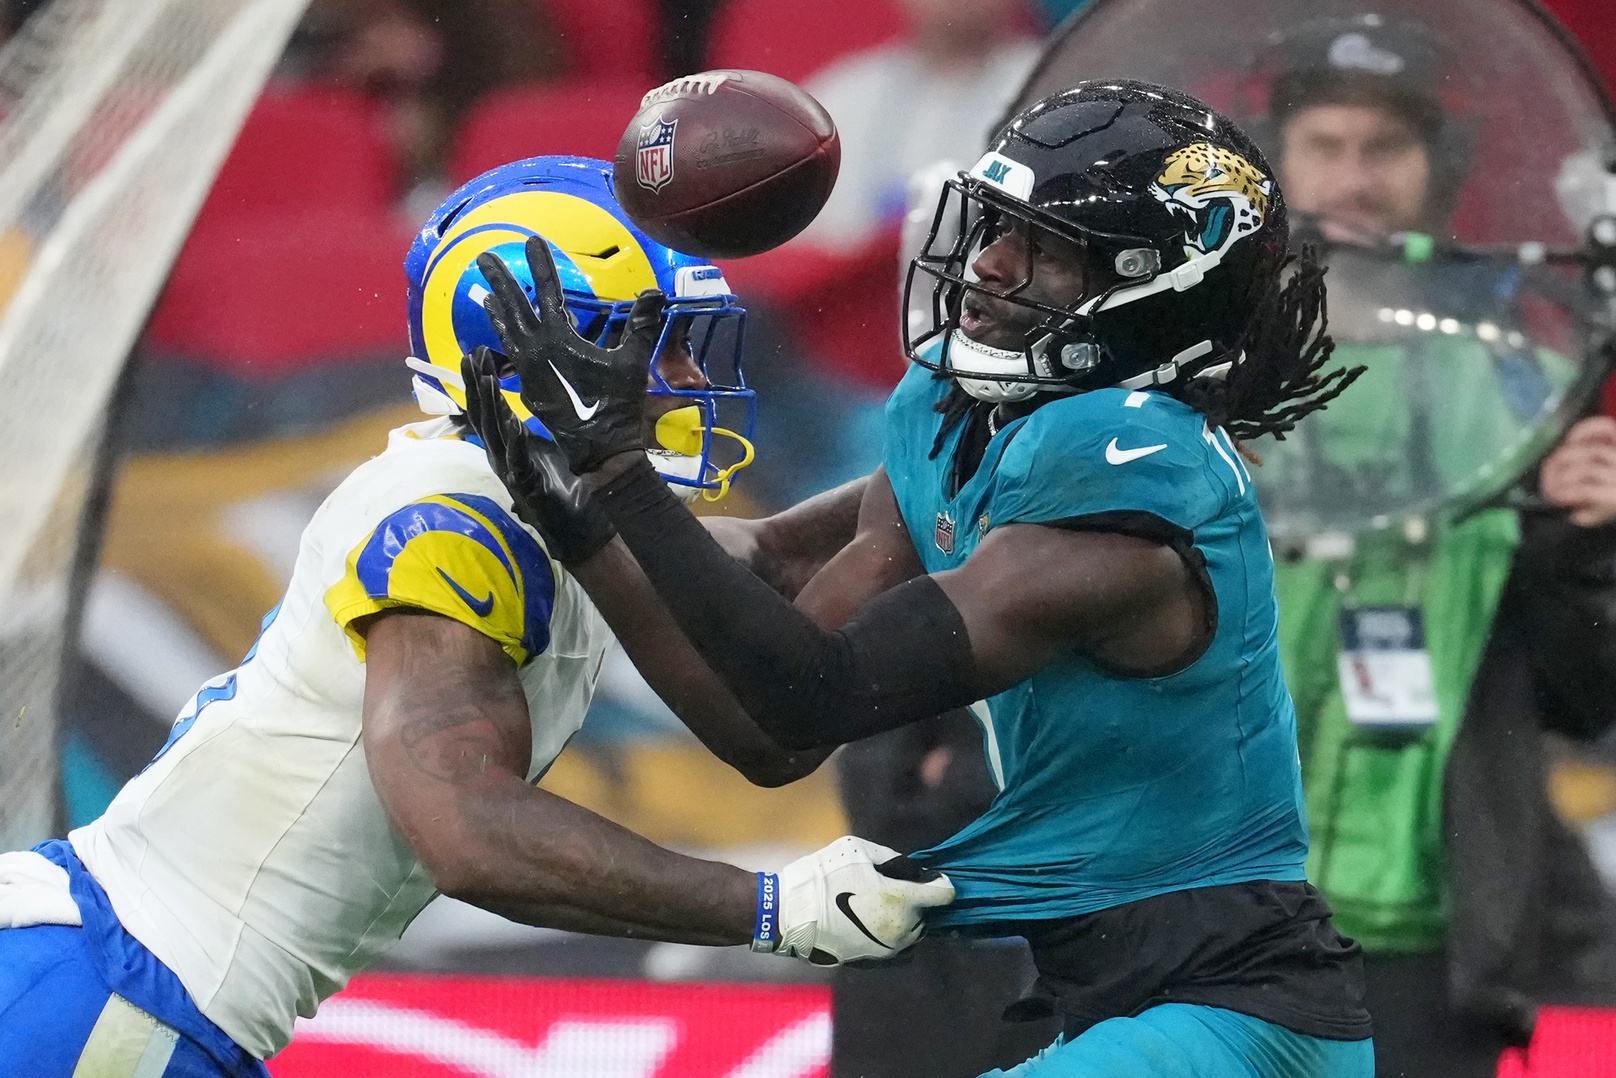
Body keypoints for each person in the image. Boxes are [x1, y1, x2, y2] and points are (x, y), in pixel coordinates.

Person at [464, 81, 1377, 1077]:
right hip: (1110, 997)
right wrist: (582, 525)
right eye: (995, 226)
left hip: (1234, 1006)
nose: (985, 265)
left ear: (1156, 292)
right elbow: (769, 724)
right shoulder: (963, 414)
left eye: (1045, 250)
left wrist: (621, 476)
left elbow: (815, 681)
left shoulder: (1128, 491)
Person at [0, 155, 955, 1075]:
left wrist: (972, 445)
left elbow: (765, 566)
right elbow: (465, 827)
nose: (691, 382)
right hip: (117, 996)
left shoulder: (542, 497)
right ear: (544, 354)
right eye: (653, 346)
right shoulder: (455, 524)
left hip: (134, 993)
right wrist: (767, 905)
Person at [1251, 15, 1616, 1077]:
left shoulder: (1514, 390)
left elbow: (1582, 697)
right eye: (1323, 145)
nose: (1352, 179)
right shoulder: (1200, 376)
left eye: (1383, 148)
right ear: (1273, 166)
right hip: (1208, 907)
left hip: (1428, 929)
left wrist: (1587, 548)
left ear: (1433, 170)